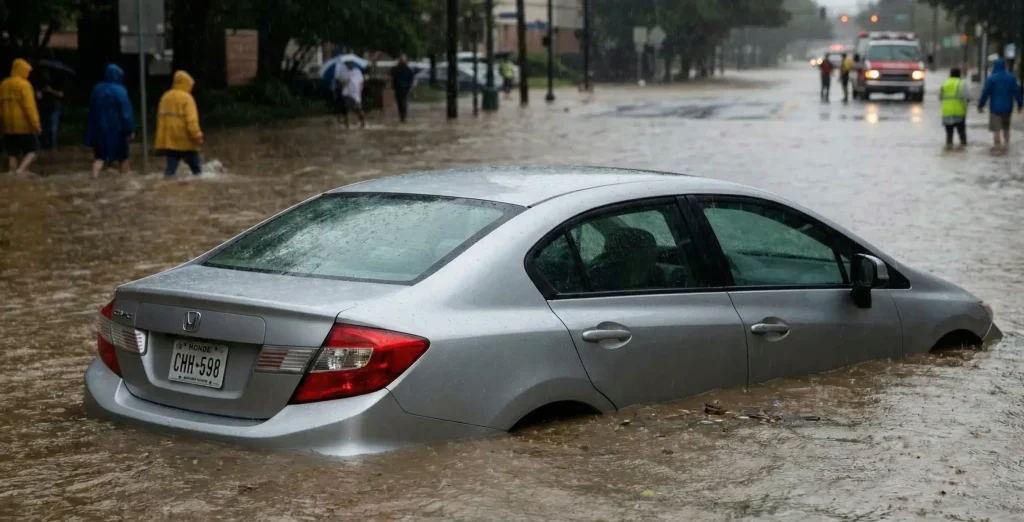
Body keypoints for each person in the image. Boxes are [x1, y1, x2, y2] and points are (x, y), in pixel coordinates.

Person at [85, 64, 135, 177]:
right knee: (123, 157)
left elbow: (91, 109)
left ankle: (94, 177)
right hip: (117, 130)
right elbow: (126, 113)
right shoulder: (120, 91)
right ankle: (125, 180)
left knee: (99, 157)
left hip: (99, 129)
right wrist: (130, 129)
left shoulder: (97, 89)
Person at [155, 70, 204, 177]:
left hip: (170, 142)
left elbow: (161, 120)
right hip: (186, 141)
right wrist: (197, 136)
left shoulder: (165, 97)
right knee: (198, 174)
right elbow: (191, 121)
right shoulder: (187, 98)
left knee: (169, 173)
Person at [0, 59, 41, 175]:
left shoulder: (3, 84)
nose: (28, 74)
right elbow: (30, 107)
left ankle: (11, 173)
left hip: (7, 125)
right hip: (24, 125)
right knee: (33, 150)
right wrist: (36, 124)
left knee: (12, 152)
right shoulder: (24, 85)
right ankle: (20, 171)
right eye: (27, 71)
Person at [977, 57, 1023, 151]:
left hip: (995, 108)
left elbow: (985, 93)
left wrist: (981, 105)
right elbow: (1017, 92)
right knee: (1006, 128)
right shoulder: (1011, 78)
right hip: (1007, 108)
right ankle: (1006, 145)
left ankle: (997, 147)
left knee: (996, 130)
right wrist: (1020, 104)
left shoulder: (991, 78)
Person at [939, 68, 970, 149]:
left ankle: (949, 148)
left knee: (949, 135)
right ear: (959, 75)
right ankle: (963, 150)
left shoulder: (945, 84)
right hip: (959, 112)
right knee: (961, 134)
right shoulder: (961, 84)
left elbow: (940, 97)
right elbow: (967, 97)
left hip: (946, 112)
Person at [38, 69, 64, 149]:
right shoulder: (41, 82)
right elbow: (39, 95)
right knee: (43, 128)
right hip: (44, 107)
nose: (44, 73)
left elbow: (61, 94)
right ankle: (44, 146)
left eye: (46, 72)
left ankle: (53, 147)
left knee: (53, 129)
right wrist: (39, 95)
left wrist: (51, 90)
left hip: (54, 107)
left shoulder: (56, 82)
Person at [337, 61, 366, 129]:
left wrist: (360, 91)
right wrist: (346, 81)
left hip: (356, 94)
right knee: (346, 109)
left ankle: (363, 123)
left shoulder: (357, 71)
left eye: (351, 64)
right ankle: (347, 124)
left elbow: (361, 82)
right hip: (346, 93)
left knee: (358, 109)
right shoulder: (343, 72)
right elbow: (341, 83)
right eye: (349, 64)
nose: (350, 65)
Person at [390, 55, 415, 123]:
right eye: (401, 60)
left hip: (405, 88)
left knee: (403, 101)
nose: (402, 62)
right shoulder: (395, 69)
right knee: (399, 102)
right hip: (397, 88)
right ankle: (401, 115)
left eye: (403, 61)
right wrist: (392, 85)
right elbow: (392, 77)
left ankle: (403, 116)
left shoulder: (409, 69)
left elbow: (412, 79)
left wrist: (411, 87)